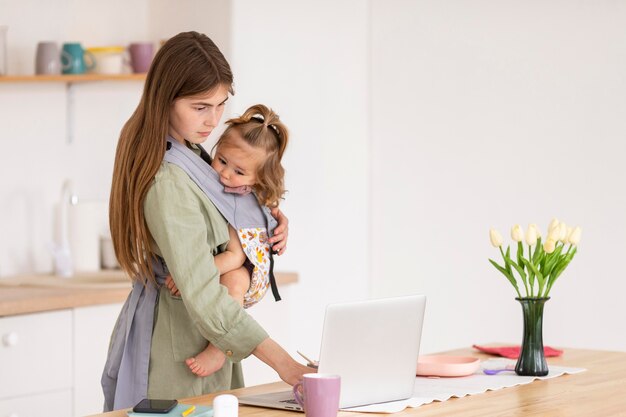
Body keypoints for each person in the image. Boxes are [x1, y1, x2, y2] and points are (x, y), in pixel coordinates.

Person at [101, 31, 311, 412]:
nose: (213, 120)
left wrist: (267, 223)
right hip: (178, 349)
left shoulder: (195, 154)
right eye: (200, 107)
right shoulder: (167, 179)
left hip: (208, 340)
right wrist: (286, 365)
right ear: (165, 99)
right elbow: (203, 292)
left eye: (220, 105)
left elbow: (233, 208)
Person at [164, 104, 290, 377]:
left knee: (232, 285)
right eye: (221, 160)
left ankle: (218, 350)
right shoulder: (219, 183)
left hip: (249, 271)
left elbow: (235, 257)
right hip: (235, 262)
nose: (225, 174)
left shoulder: (239, 201)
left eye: (239, 172)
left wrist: (190, 275)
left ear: (258, 179)